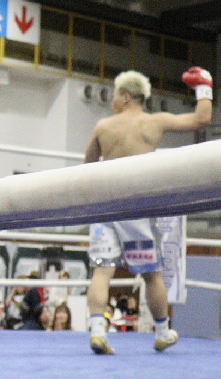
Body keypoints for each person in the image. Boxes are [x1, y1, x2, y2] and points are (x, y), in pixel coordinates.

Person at [84, 68, 212, 354]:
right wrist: (204, 86)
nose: (112, 101)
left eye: (115, 95)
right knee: (151, 275)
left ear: (127, 97)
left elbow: (88, 166)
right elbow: (202, 119)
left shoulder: (103, 127)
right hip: (138, 208)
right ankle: (163, 333)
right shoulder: (155, 122)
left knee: (102, 271)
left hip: (106, 207)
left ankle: (98, 332)